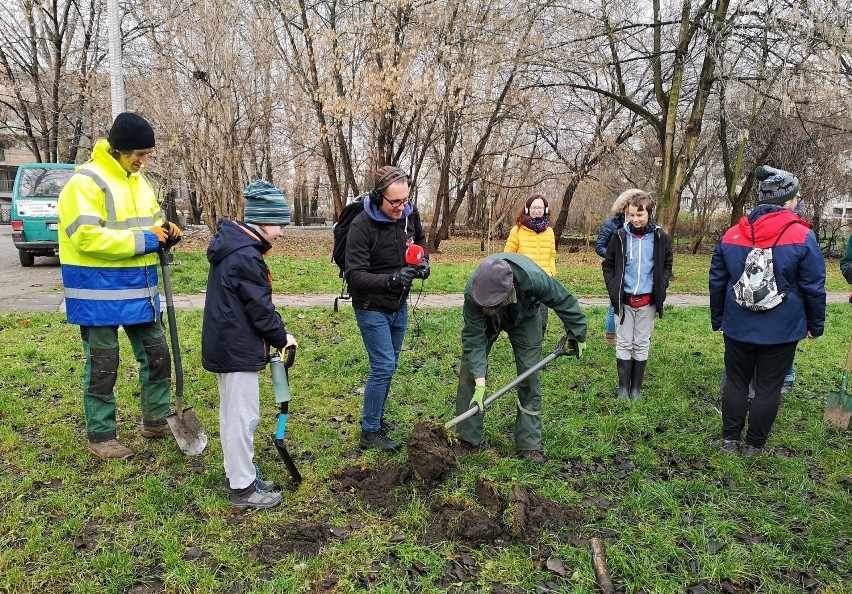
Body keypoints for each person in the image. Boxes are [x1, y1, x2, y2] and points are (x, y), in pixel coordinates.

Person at [58, 112, 182, 460]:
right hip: (98, 293)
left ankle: (156, 420)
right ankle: (101, 435)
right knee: (103, 364)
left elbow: (152, 223)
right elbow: (86, 237)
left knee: (158, 356)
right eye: (138, 154)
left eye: (148, 154)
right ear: (117, 150)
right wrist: (147, 238)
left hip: (141, 291)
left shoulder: (139, 182)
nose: (144, 161)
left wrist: (166, 231)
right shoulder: (84, 183)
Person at [709, 165, 825, 455]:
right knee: (769, 387)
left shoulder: (732, 233)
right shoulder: (802, 235)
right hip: (782, 328)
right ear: (787, 200)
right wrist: (815, 324)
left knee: (736, 380)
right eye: (795, 197)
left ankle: (729, 440)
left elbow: (717, 280)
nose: (797, 201)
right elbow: (813, 286)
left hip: (738, 324)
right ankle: (755, 445)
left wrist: (718, 319)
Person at [202, 179, 297, 510]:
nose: (282, 233)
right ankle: (243, 490)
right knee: (243, 419)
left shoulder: (235, 247)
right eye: (280, 225)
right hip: (237, 349)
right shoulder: (245, 256)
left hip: (227, 344)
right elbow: (260, 308)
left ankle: (239, 474)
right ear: (263, 220)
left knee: (232, 416)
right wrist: (282, 338)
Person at [453, 253, 587, 465]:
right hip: (489, 316)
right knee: (470, 370)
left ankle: (528, 443)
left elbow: (561, 298)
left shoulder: (533, 277)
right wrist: (480, 384)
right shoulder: (473, 292)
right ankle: (467, 438)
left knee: (529, 373)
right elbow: (473, 339)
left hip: (526, 315)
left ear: (511, 288)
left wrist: (578, 332)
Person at [345, 165, 429, 452]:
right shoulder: (361, 226)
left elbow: (420, 242)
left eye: (405, 200)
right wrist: (392, 278)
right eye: (395, 202)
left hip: (399, 304)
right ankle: (370, 431)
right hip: (371, 306)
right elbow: (354, 275)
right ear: (378, 197)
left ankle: (376, 420)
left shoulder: (408, 215)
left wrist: (422, 262)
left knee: (389, 366)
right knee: (383, 366)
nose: (401, 207)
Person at [602, 191, 673, 401]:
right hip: (625, 301)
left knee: (641, 342)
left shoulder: (660, 237)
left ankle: (636, 389)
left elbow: (667, 263)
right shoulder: (620, 236)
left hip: (647, 302)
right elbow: (608, 264)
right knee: (624, 342)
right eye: (631, 215)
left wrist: (662, 283)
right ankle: (624, 388)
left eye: (639, 215)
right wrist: (613, 287)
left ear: (650, 213)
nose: (635, 219)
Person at [504, 194, 557, 333]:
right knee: (522, 318)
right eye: (534, 207)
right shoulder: (517, 229)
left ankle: (537, 345)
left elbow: (552, 254)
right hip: (523, 281)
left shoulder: (549, 231)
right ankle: (523, 344)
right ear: (527, 209)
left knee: (542, 319)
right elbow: (507, 255)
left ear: (545, 210)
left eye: (540, 207)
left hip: (544, 281)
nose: (536, 210)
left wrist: (551, 273)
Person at [595, 190, 636, 346]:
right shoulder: (611, 224)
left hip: (636, 271)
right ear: (624, 206)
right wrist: (616, 258)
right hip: (616, 270)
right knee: (615, 302)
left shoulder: (644, 225)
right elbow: (599, 246)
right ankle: (611, 336)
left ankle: (632, 336)